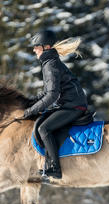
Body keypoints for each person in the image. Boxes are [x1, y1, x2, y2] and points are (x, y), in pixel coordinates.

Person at [23, 30, 88, 179]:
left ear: (46, 47)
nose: (34, 50)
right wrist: (29, 103)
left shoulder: (50, 65)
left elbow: (52, 95)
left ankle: (55, 168)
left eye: (36, 46)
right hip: (70, 104)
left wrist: (31, 111)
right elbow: (47, 91)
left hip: (73, 106)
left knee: (44, 128)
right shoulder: (49, 62)